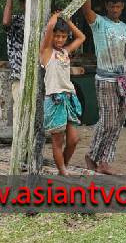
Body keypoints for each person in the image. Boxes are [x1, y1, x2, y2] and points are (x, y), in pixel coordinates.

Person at [82, 0, 126, 175]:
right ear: (106, 7)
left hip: (123, 78)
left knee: (120, 120)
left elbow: (124, 52)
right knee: (107, 120)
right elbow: (86, 9)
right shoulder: (98, 23)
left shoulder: (125, 28)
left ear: (122, 7)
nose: (115, 9)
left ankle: (104, 160)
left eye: (118, 6)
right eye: (112, 6)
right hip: (104, 78)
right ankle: (92, 155)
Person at [40, 11, 85, 176]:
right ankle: (63, 170)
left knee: (73, 140)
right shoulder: (46, 52)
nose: (59, 39)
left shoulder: (65, 52)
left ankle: (63, 168)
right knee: (57, 142)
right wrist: (55, 17)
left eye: (63, 36)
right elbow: (49, 29)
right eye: (57, 36)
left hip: (68, 99)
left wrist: (68, 22)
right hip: (54, 101)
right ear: (51, 36)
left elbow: (81, 38)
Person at [3, 0, 25, 120]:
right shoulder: (17, 20)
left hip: (38, 77)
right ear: (22, 4)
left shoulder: (43, 22)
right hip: (19, 76)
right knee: (20, 115)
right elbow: (6, 22)